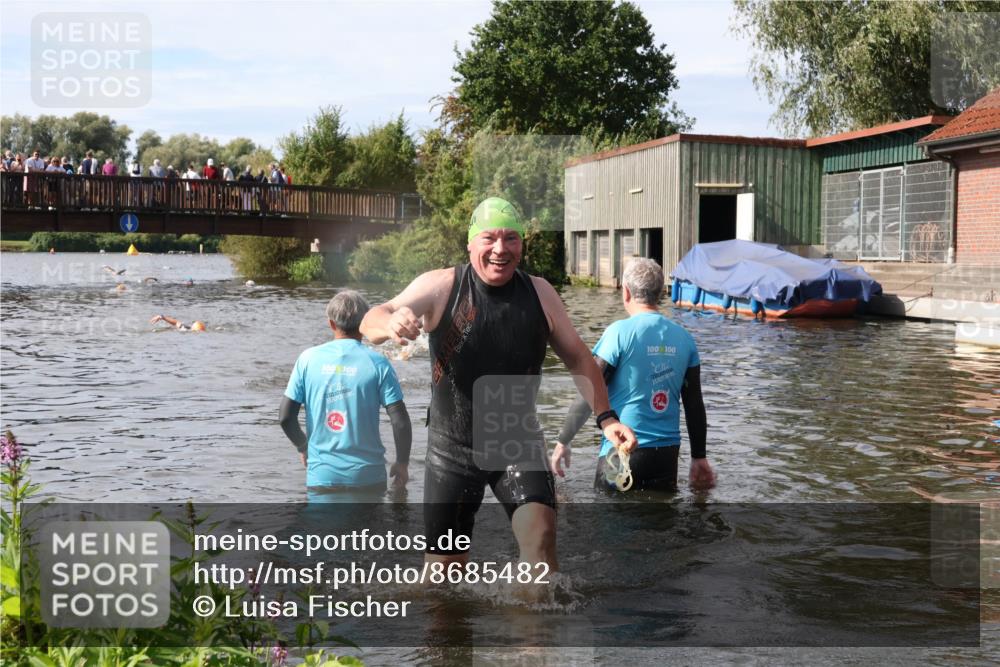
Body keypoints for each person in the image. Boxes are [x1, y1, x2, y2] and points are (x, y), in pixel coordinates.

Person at [360, 196, 637, 571]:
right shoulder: (443, 286)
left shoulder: (540, 294)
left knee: (540, 546)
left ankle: (532, 627)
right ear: (471, 242)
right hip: (451, 451)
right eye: (489, 238)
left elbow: (579, 358)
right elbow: (372, 318)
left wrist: (607, 419)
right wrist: (390, 324)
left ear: (522, 243)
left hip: (516, 442)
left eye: (511, 239)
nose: (500, 249)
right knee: (443, 581)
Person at [550, 258, 716, 494]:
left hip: (622, 450)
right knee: (659, 526)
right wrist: (699, 457)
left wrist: (563, 441)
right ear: (659, 293)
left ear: (625, 292)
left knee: (609, 524)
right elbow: (694, 403)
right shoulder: (685, 339)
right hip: (667, 457)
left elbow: (591, 387)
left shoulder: (619, 333)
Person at [281, 290, 412, 500]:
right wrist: (402, 463)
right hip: (368, 478)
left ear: (331, 324)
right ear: (364, 324)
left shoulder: (307, 360)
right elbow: (400, 422)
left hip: (322, 478)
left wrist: (303, 446)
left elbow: (286, 418)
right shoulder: (378, 363)